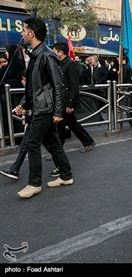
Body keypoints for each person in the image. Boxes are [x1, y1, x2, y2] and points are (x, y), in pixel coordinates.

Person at [14, 17, 73, 199]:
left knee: (32, 143)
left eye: (23, 30)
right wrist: (24, 104)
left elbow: (58, 85)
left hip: (45, 109)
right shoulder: (36, 55)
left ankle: (34, 183)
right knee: (53, 143)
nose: (22, 33)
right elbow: (34, 87)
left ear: (31, 33)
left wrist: (57, 111)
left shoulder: (47, 55)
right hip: (40, 107)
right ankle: (66, 175)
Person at [50, 42, 96, 177]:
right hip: (62, 101)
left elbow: (74, 86)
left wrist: (70, 104)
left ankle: (57, 155)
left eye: (54, 51)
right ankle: (88, 141)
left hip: (66, 103)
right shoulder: (61, 64)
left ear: (60, 52)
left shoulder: (70, 64)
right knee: (73, 124)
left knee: (59, 129)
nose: (53, 53)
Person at [0, 69, 31, 180]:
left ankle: (64, 170)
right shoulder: (30, 89)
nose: (22, 82)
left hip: (41, 120)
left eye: (24, 79)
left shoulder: (35, 88)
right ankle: (15, 169)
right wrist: (25, 117)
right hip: (35, 121)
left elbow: (31, 103)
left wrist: (24, 114)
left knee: (53, 146)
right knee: (25, 145)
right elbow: (26, 102)